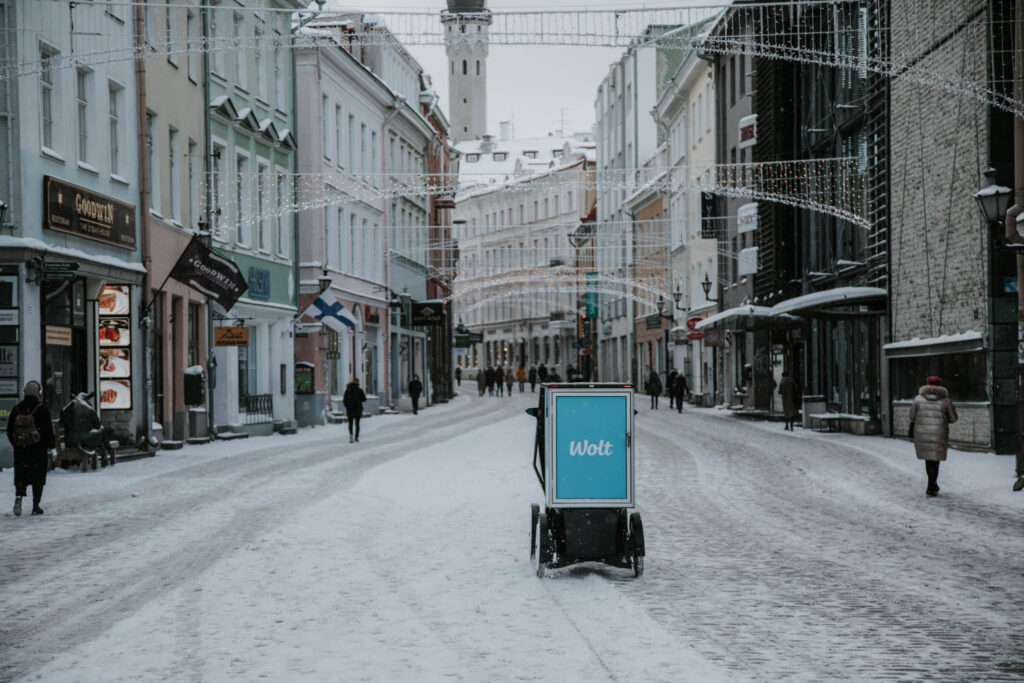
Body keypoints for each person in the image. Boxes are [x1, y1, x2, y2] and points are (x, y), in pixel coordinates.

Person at [6, 381, 55, 516]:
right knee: (37, 478)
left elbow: (9, 429)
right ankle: (35, 506)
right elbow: (48, 430)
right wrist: (51, 446)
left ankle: (18, 497)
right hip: (38, 450)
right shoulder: (41, 409)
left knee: (21, 476)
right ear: (38, 393)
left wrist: (17, 443)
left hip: (21, 450)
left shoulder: (17, 409)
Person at [909, 375, 958, 497]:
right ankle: (932, 484)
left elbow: (911, 416)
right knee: (935, 460)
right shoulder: (946, 401)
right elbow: (953, 418)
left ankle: (931, 484)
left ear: (927, 384)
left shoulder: (918, 399)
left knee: (928, 460)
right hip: (939, 433)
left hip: (923, 432)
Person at [342, 378, 366, 442]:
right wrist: (359, 401)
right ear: (358, 383)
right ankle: (356, 437)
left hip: (350, 410)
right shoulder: (360, 390)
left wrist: (348, 407)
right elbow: (364, 399)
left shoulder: (348, 390)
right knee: (357, 424)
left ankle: (351, 436)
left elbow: (344, 401)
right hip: (358, 409)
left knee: (350, 423)